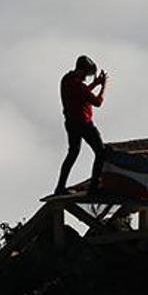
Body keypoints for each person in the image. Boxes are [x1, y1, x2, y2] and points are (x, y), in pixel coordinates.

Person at [55, 55, 109, 195]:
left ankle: (60, 187)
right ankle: (94, 187)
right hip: (84, 123)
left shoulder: (67, 79)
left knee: (72, 153)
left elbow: (81, 93)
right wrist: (103, 86)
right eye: (87, 74)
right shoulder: (79, 86)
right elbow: (97, 102)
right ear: (82, 71)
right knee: (100, 152)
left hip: (70, 123)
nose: (86, 78)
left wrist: (94, 84)